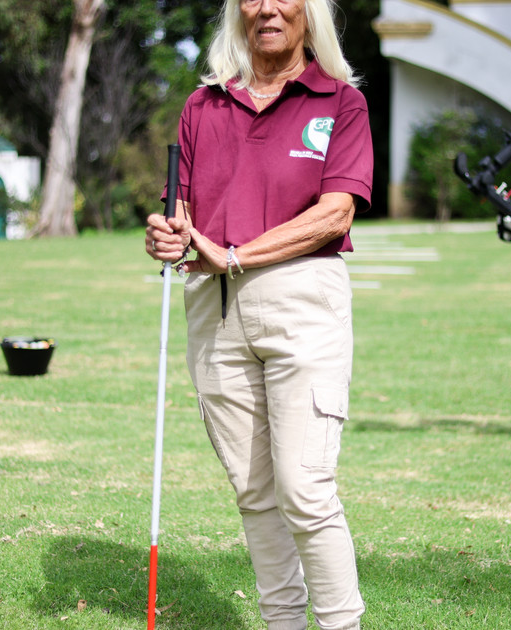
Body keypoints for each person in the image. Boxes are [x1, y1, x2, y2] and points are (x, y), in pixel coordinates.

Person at [145, 0, 372, 628]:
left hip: (304, 303)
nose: (267, 7)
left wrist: (235, 255)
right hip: (214, 308)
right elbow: (181, 216)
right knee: (254, 492)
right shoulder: (203, 105)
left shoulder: (341, 103)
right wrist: (168, 236)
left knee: (304, 488)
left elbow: (335, 214)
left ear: (309, 12)